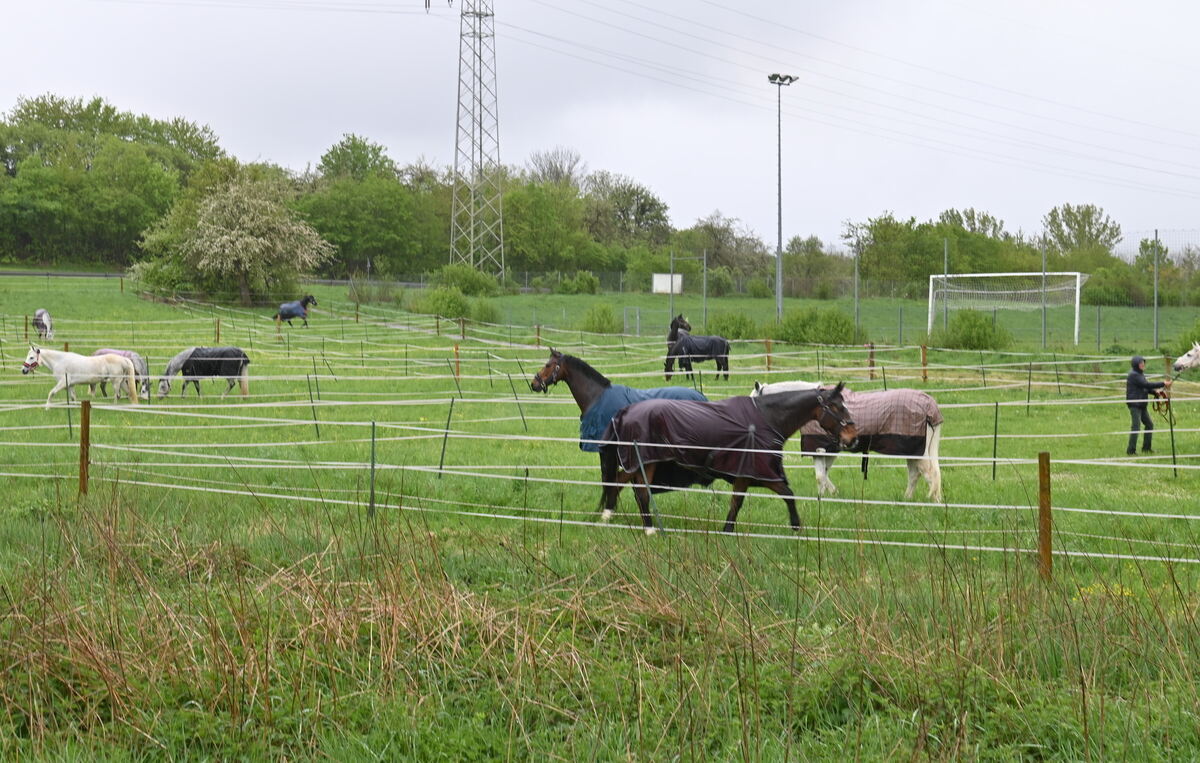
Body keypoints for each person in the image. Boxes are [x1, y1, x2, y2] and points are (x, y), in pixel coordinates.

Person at [1126, 355, 1171, 455]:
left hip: (1141, 404)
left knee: (1149, 425)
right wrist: (1163, 383)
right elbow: (1145, 385)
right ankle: (1131, 450)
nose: (1143, 364)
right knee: (1136, 427)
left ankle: (1146, 448)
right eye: (1140, 363)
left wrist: (1155, 392)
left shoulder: (1139, 374)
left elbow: (1144, 387)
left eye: (1143, 363)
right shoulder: (1134, 375)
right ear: (1136, 365)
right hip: (1135, 404)